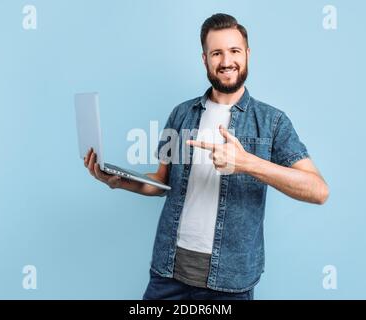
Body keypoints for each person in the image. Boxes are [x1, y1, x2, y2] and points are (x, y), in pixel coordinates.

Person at [83, 13, 329, 300]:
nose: (226, 61)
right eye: (217, 53)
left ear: (247, 54)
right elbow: (160, 182)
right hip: (168, 272)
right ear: (205, 59)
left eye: (234, 51)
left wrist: (247, 162)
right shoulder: (181, 114)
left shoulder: (272, 122)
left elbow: (318, 191)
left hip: (230, 282)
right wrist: (118, 180)